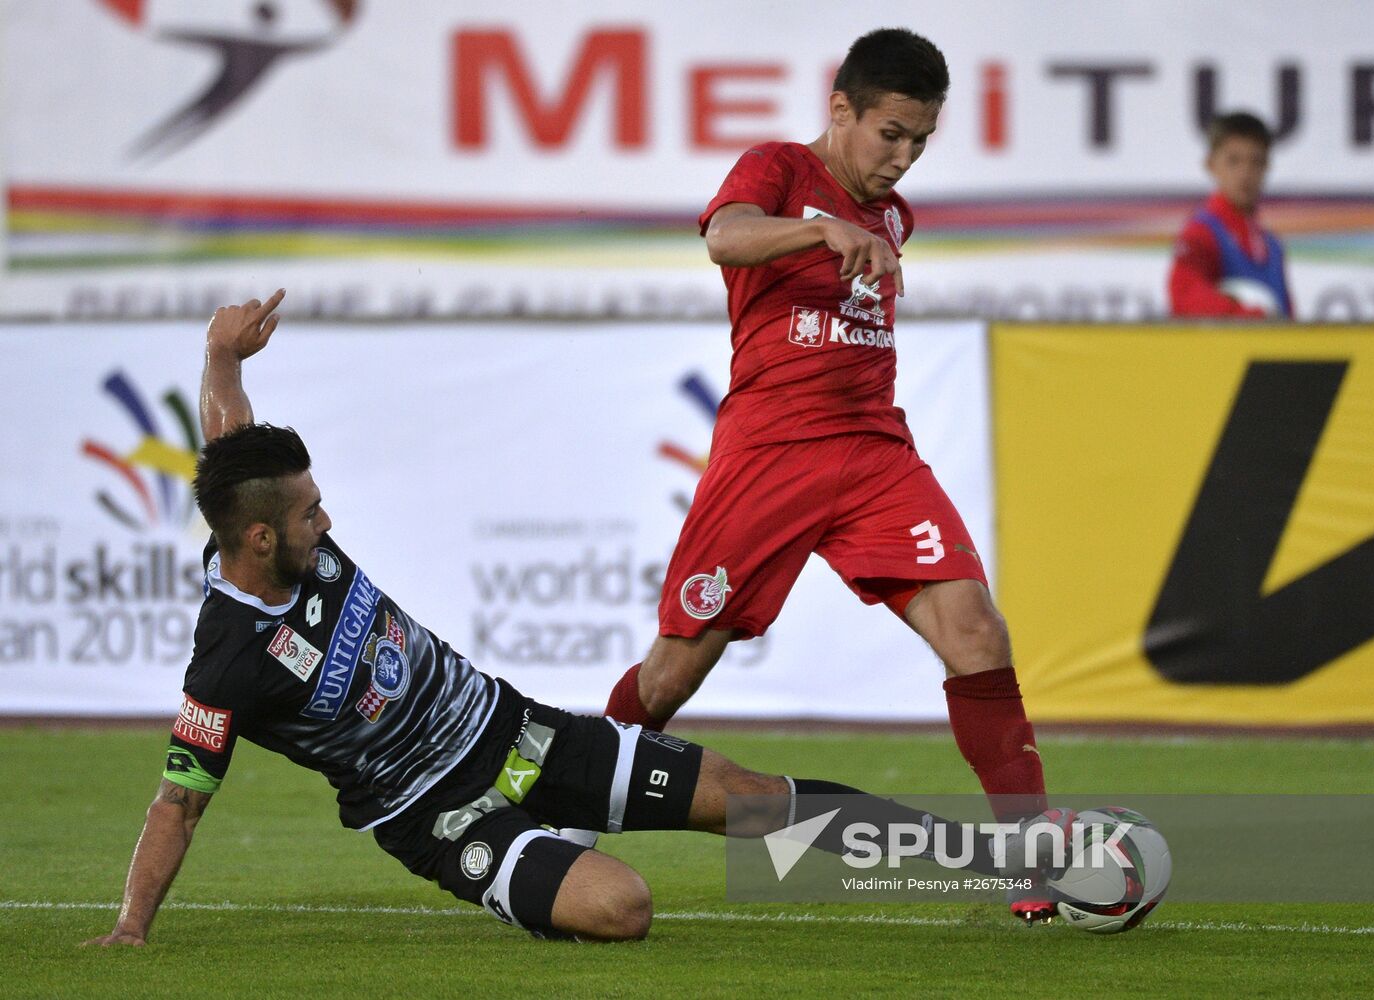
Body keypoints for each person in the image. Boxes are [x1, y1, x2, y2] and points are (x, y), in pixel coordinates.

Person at [83, 292, 1047, 948]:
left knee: (753, 797)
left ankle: (985, 858)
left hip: (514, 730)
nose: (325, 523)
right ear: (258, 541)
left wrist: (219, 355)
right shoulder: (227, 669)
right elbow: (179, 802)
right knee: (623, 909)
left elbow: (227, 447)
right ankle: (539, 862)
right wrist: (132, 928)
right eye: (306, 516)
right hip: (435, 810)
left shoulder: (264, 516)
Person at [590, 29, 1051, 920]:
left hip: (875, 451)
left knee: (978, 635)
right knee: (673, 674)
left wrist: (853, 228)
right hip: (770, 453)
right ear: (841, 109)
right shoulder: (777, 168)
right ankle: (564, 805)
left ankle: (1034, 866)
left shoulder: (894, 216)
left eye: (920, 141)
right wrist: (818, 225)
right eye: (891, 134)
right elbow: (724, 240)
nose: (904, 158)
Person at [1168, 111, 1293, 318]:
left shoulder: (1272, 244)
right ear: (1211, 165)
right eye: (1233, 161)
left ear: (1267, 166)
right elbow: (1184, 293)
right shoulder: (1201, 232)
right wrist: (1247, 317)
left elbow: (1287, 316)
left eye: (1256, 161)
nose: (1245, 173)